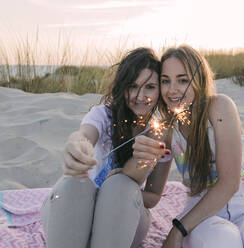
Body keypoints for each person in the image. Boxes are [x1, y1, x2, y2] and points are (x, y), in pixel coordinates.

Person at [133, 45, 244, 248]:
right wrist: (112, 187)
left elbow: (229, 183)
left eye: (183, 79)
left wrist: (178, 229)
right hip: (201, 217)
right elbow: (152, 196)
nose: (172, 89)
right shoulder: (168, 130)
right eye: (165, 81)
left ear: (199, 80)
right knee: (224, 240)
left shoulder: (220, 107)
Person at [40, 47, 172, 248]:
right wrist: (76, 146)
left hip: (123, 213)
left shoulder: (159, 134)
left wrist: (113, 194)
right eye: (133, 86)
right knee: (75, 183)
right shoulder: (103, 115)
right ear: (122, 87)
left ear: (160, 90)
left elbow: (153, 196)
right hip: (79, 206)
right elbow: (84, 135)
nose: (140, 96)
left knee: (120, 186)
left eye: (150, 87)